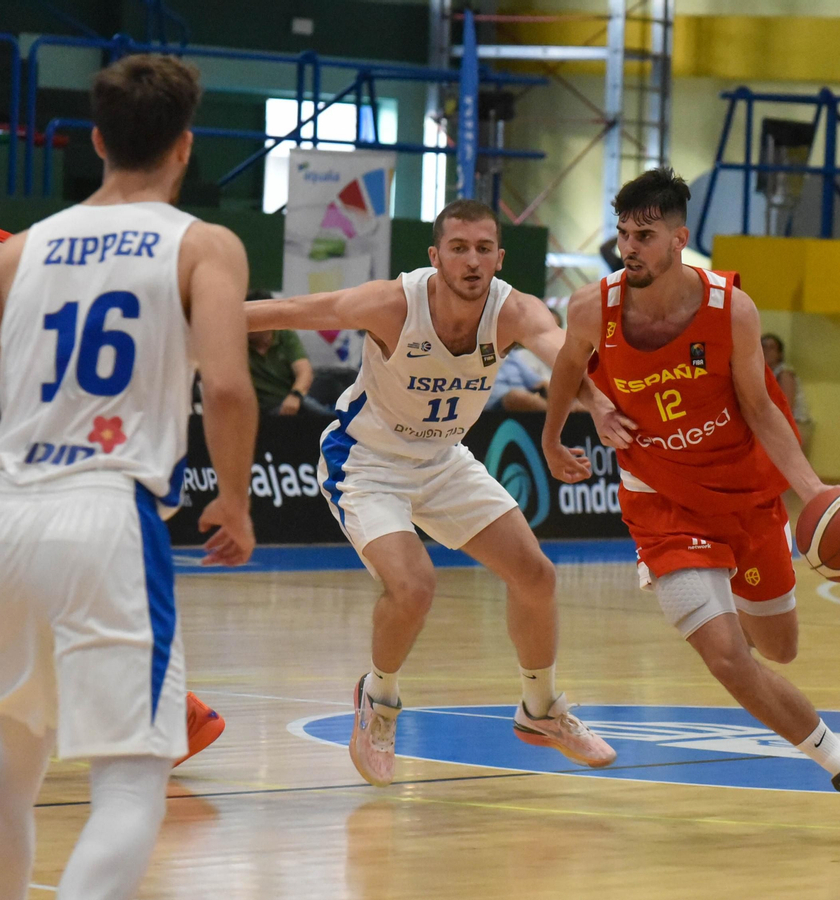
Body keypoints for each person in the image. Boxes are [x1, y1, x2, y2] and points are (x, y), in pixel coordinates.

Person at [0, 53, 257, 899]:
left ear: (95, 141)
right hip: (108, 515)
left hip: (2, 516)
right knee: (129, 781)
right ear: (185, 147)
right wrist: (235, 496)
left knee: (13, 762)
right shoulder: (205, 243)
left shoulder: (19, 254)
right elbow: (226, 386)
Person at [541, 168, 840, 848]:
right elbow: (568, 364)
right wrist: (567, 423)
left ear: (680, 238)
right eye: (623, 234)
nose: (630, 248)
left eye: (645, 236)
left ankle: (731, 590)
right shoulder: (593, 308)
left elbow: (763, 410)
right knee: (727, 657)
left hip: (743, 496)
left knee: (779, 648)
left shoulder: (729, 310)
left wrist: (814, 493)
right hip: (660, 503)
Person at [245, 198, 620, 788]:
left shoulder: (512, 310)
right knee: (415, 586)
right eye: (458, 248)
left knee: (536, 575)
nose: (472, 261)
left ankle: (540, 709)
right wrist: (200, 318)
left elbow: (565, 352)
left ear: (499, 255)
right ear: (435, 256)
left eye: (483, 248)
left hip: (443, 460)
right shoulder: (392, 304)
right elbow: (292, 309)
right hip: (366, 461)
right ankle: (379, 700)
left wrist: (596, 404)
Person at [247, 291, 332, 417]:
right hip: (255, 409)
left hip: (287, 401)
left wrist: (295, 396)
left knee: (329, 418)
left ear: (268, 319)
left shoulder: (285, 335)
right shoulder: (235, 342)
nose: (248, 323)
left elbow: (304, 372)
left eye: (253, 318)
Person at [760, 333, 812, 454]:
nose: (766, 350)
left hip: (795, 424)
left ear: (780, 354)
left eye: (771, 347)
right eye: (763, 346)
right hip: (779, 425)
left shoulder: (784, 372)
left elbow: (787, 405)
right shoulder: (762, 373)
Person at [486, 344, 551, 412]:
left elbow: (537, 381)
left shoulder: (511, 354)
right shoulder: (484, 352)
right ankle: (554, 415)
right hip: (497, 403)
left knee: (550, 387)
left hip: (526, 397)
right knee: (515, 397)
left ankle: (557, 415)